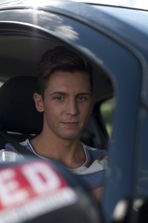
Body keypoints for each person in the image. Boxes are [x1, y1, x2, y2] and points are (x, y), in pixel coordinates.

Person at [20, 46, 107, 200]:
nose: (72, 110)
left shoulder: (108, 166)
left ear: (91, 103)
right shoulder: (7, 164)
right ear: (40, 103)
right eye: (59, 98)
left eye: (81, 98)